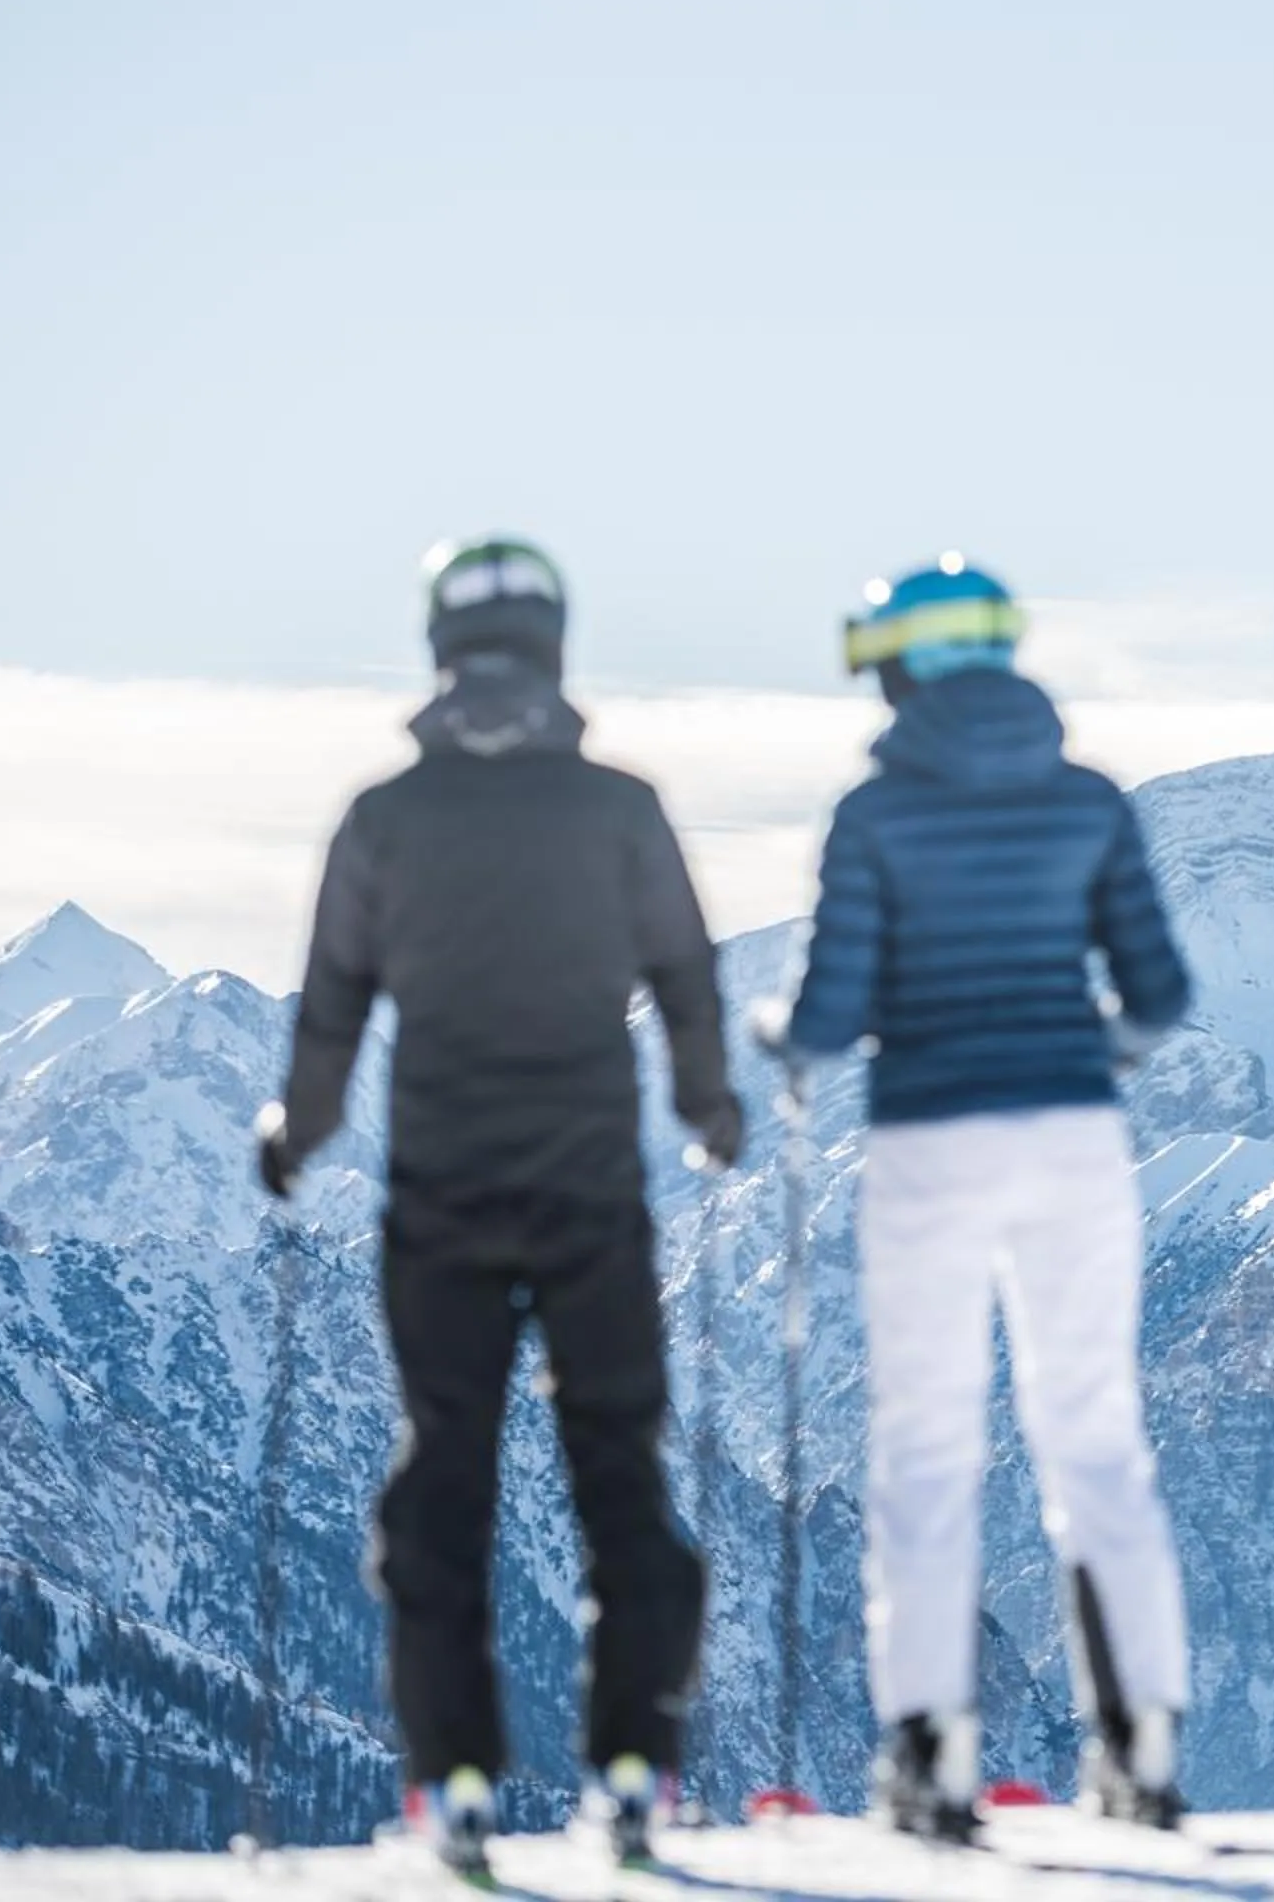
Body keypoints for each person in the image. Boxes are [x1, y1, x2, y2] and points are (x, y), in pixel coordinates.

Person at [256, 536, 742, 1879]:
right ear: (557, 647)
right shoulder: (623, 810)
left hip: (443, 1199)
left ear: (437, 651)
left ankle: (455, 1777)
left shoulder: (382, 820)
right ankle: (635, 1763)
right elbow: (689, 976)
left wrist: (295, 1136)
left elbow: (332, 1006)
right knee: (620, 1473)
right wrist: (712, 1112)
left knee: (444, 1483)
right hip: (592, 1193)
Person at [766, 554, 1194, 1841]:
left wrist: (774, 1032)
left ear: (899, 663)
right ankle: (1145, 1745)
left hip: (930, 1141)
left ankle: (932, 1759)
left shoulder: (873, 813)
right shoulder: (1090, 802)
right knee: (1094, 1434)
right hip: (1074, 1135)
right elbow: (1161, 995)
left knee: (927, 1443)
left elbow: (831, 1015)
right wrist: (1083, 1050)